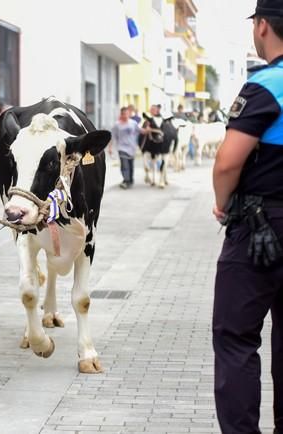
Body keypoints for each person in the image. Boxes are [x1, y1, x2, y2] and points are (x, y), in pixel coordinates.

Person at [212, 1, 283, 432]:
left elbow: (226, 163)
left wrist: (222, 202)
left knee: (236, 339)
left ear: (261, 27)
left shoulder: (266, 85)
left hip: (262, 229)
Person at [109, 107, 148, 189]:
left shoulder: (133, 123)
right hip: (121, 147)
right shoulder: (117, 125)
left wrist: (149, 129)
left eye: (127, 114)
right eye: (124, 114)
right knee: (124, 164)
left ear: (129, 114)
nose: (126, 115)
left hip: (132, 147)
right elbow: (112, 137)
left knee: (130, 165)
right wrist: (110, 148)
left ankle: (130, 179)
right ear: (121, 114)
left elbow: (141, 131)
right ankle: (126, 180)